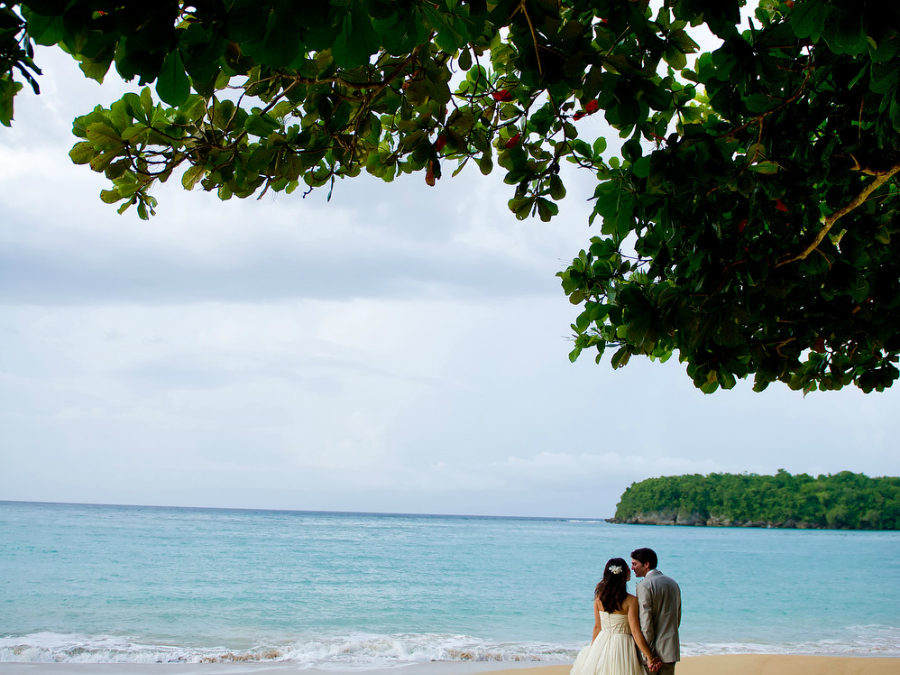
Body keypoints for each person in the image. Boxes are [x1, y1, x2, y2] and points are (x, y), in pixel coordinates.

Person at [570, 558, 660, 675]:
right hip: (622, 645)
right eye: (628, 569)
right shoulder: (631, 601)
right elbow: (635, 631)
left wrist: (592, 651)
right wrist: (650, 656)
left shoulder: (599, 598)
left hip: (602, 642)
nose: (630, 571)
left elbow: (597, 627)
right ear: (623, 575)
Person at [630, 548, 681, 675]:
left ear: (646, 564)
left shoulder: (644, 585)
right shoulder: (673, 583)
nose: (632, 568)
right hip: (670, 649)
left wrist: (649, 655)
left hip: (653, 653)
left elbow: (646, 622)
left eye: (635, 564)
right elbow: (677, 616)